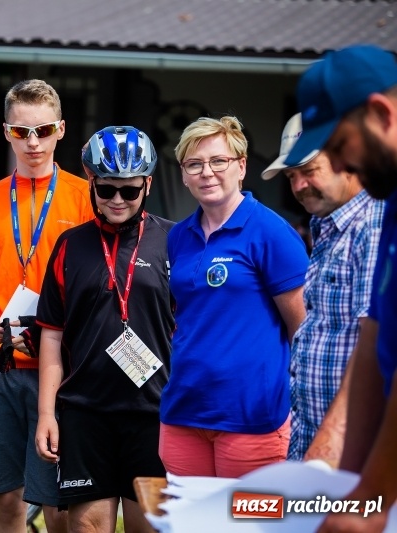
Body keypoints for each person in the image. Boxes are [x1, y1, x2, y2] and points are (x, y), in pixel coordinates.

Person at [0, 79, 92, 533]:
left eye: (42, 130)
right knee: (7, 503)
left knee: (57, 507)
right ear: (6, 132)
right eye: (21, 131)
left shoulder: (86, 197)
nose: (32, 142)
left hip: (59, 367)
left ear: (61, 130)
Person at [34, 126, 174, 533]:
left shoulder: (175, 241)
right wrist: (47, 413)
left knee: (148, 527)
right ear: (90, 182)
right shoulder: (69, 245)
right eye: (106, 189)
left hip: (154, 415)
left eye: (129, 191)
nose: (117, 200)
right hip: (85, 413)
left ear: (147, 184)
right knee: (87, 528)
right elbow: (52, 335)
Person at [285, 43, 397, 533]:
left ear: (379, 113)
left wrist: (366, 499)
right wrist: (344, 481)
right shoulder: (390, 200)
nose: (337, 162)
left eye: (337, 143)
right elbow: (376, 337)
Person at [159, 116, 309, 478]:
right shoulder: (179, 236)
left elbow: (303, 329)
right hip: (183, 413)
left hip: (252, 416)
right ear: (183, 174)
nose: (206, 172)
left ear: (241, 166)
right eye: (194, 164)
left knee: (251, 524)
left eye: (218, 161)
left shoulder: (271, 232)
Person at [261, 113, 385, 466]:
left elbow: (372, 344)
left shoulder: (372, 226)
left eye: (309, 170)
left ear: (347, 161)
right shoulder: (328, 227)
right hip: (315, 438)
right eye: (291, 176)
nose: (298, 185)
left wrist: (334, 436)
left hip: (351, 446)